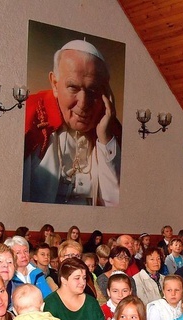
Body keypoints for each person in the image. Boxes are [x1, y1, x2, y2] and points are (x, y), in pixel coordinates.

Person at [23, 40, 121, 206]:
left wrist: (105, 139)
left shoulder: (110, 128)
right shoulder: (31, 115)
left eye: (93, 90)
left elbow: (116, 203)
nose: (83, 103)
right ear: (55, 84)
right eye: (73, 88)